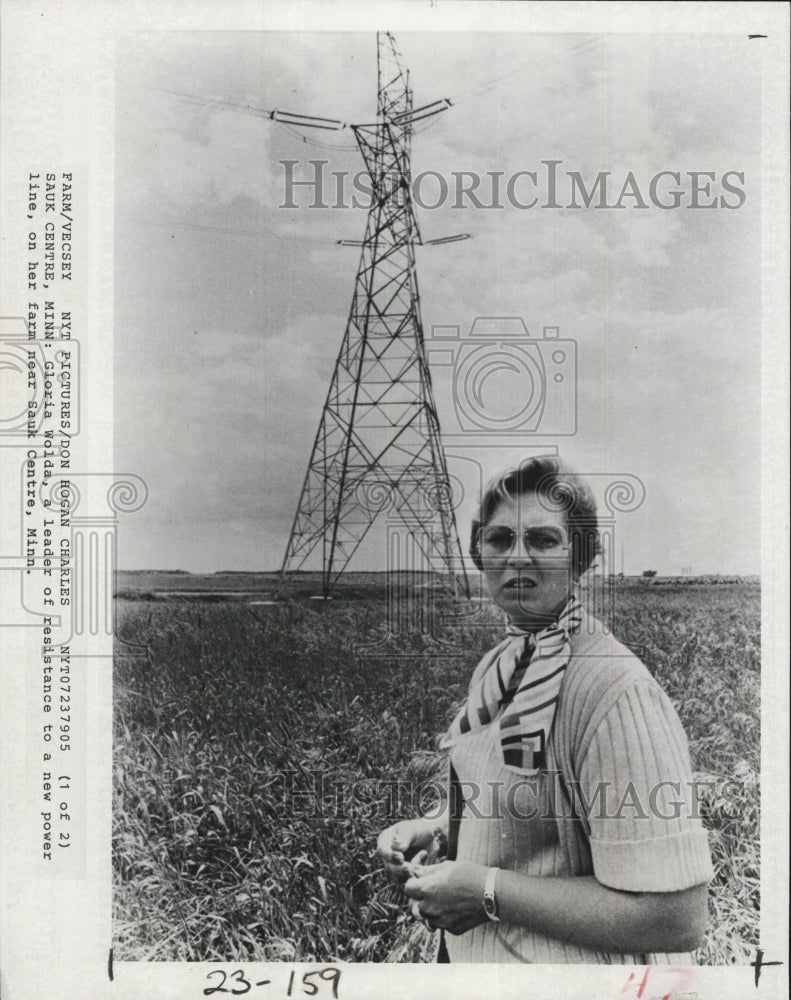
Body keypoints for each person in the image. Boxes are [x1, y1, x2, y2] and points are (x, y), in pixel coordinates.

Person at [376, 456, 713, 963]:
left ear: (581, 558)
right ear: (478, 555)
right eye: (499, 539)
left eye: (542, 540)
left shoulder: (614, 691)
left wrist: (485, 892)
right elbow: (529, 809)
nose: (517, 558)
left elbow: (677, 917)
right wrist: (440, 828)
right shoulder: (499, 666)